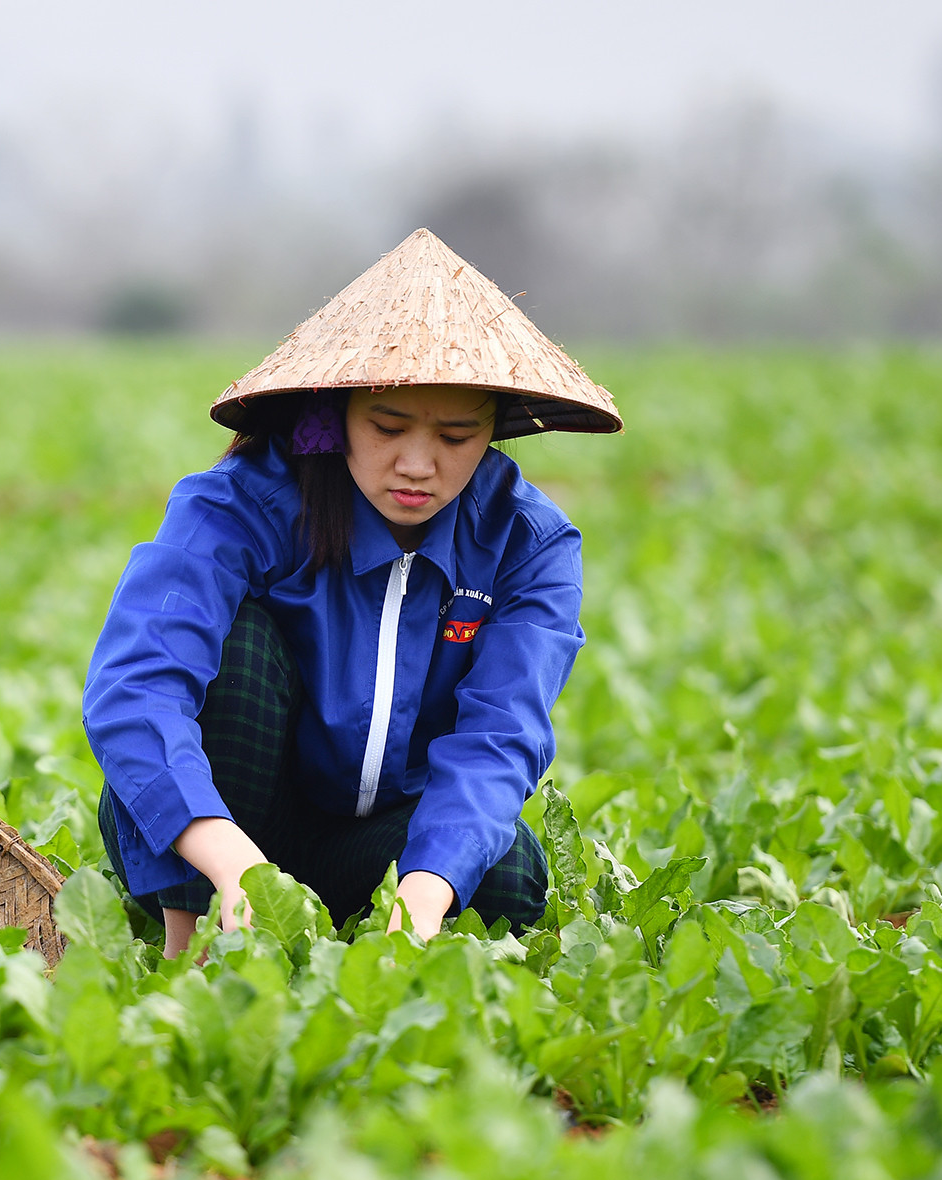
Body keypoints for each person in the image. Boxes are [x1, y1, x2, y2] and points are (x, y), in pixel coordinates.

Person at [83, 228, 625, 956]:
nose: (418, 464)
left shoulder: (529, 544)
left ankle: (348, 931)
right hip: (225, 825)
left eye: (457, 436)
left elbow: (500, 739)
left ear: (495, 429)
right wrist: (234, 865)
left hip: (366, 840)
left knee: (510, 873)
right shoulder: (244, 501)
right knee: (239, 651)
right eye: (388, 425)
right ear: (337, 411)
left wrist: (422, 896)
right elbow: (136, 687)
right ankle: (191, 944)